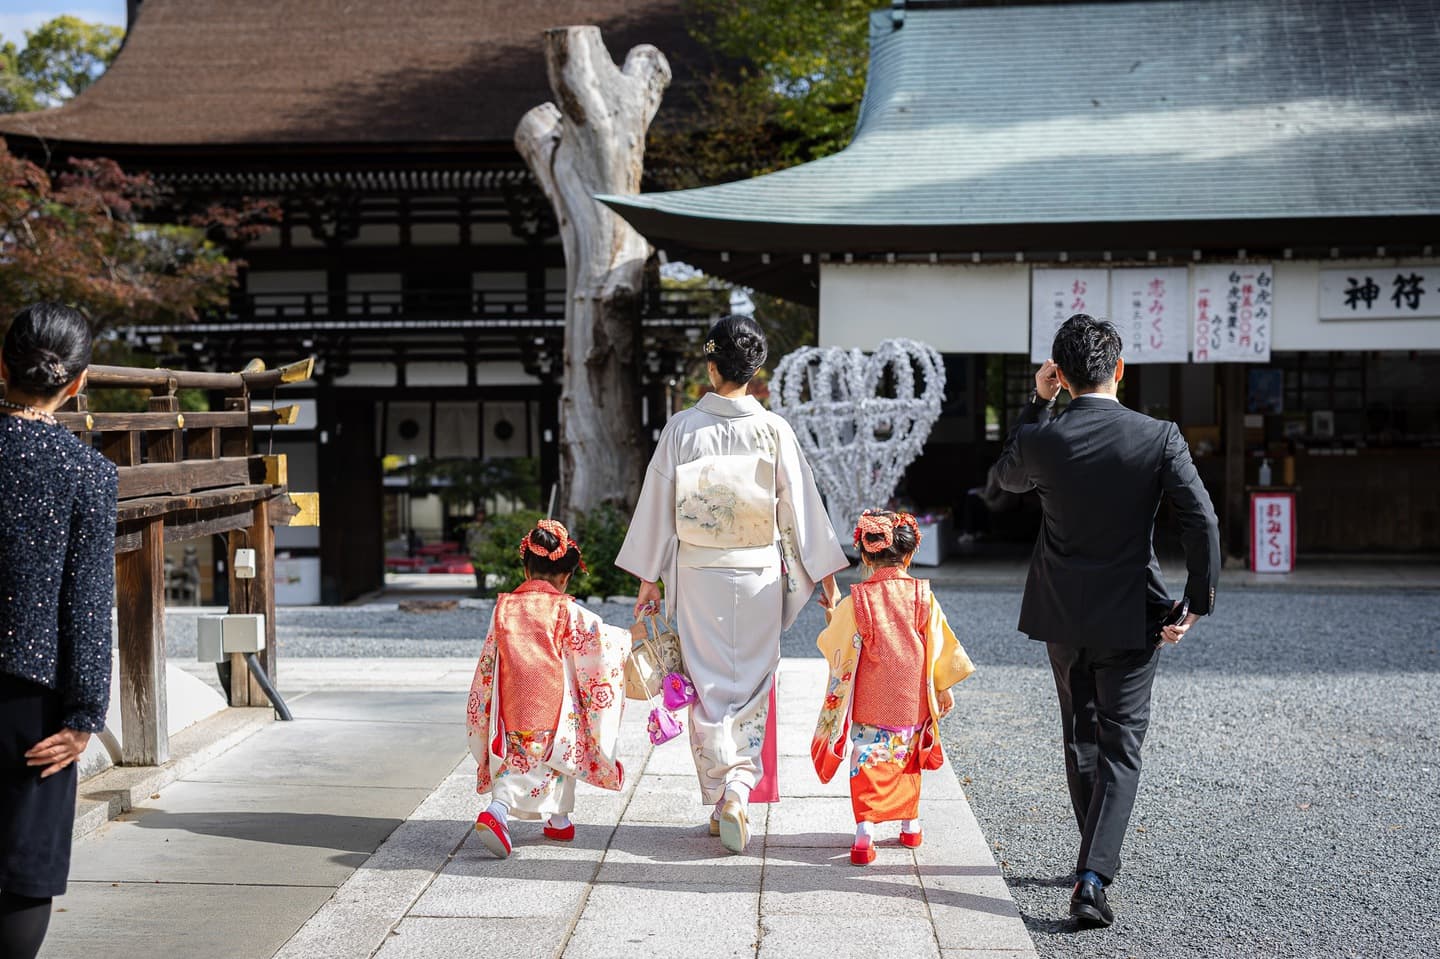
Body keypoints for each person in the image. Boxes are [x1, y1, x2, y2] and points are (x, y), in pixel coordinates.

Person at [993, 314, 1220, 928]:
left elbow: (1005, 478)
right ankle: (1092, 876)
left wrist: (1036, 405)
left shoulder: (1044, 435)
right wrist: (1196, 600)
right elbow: (1201, 521)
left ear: (1060, 376)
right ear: (1120, 369)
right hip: (1131, 612)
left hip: (1061, 612)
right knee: (1121, 746)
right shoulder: (1158, 436)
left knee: (1080, 734)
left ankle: (1090, 861)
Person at [616, 315, 849, 854]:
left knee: (707, 683)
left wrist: (650, 578)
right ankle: (738, 792)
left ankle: (727, 792)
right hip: (760, 570)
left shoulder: (681, 428)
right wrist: (827, 579)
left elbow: (656, 507)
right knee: (754, 682)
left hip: (699, 572)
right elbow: (802, 509)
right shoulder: (773, 430)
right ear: (755, 370)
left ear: (712, 364)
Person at [0, 303, 118, 959]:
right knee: (21, 873)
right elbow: (87, 601)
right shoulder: (88, 473)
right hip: (35, 702)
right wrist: (83, 716)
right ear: (77, 381)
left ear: (2, 367)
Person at [466, 520, 639, 858]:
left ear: (526, 568)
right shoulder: (565, 608)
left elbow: (490, 661)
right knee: (554, 760)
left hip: (509, 706)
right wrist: (630, 636)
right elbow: (598, 644)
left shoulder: (503, 607)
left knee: (518, 762)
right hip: (552, 706)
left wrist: (483, 707)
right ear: (565, 577)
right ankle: (497, 813)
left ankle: (557, 820)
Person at [812, 510, 974, 866]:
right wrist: (942, 685)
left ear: (866, 556)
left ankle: (864, 833)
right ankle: (910, 824)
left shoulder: (858, 599)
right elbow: (940, 643)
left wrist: (832, 613)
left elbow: (834, 643)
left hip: (872, 699)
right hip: (910, 699)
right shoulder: (922, 595)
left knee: (868, 757)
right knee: (906, 757)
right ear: (911, 554)